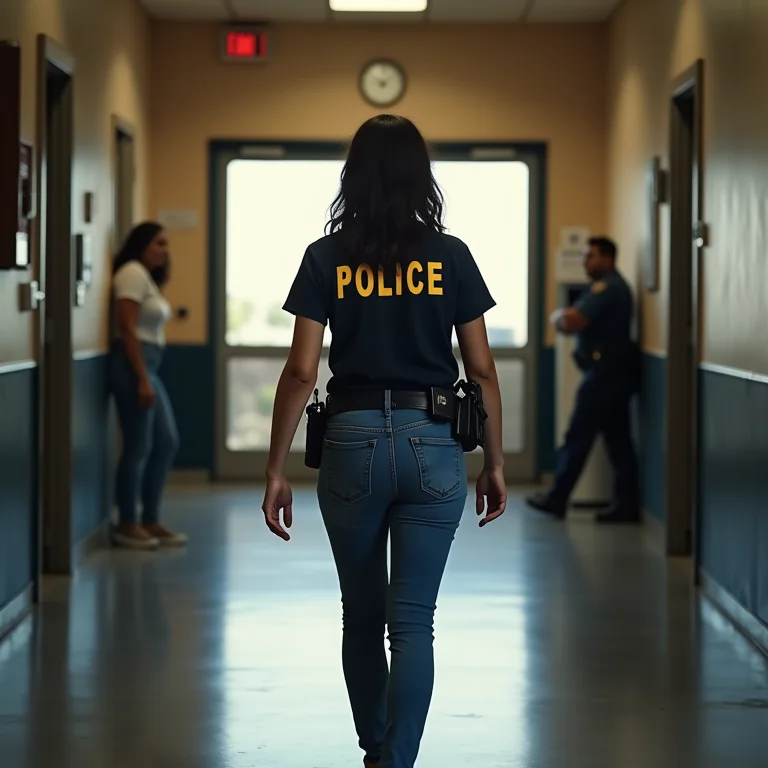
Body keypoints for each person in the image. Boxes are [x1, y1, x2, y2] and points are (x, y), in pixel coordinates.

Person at [260, 114, 507, 768]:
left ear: (353, 175)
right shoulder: (451, 256)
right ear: (422, 175)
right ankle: (396, 761)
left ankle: (373, 746)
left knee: (362, 616)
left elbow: (303, 370)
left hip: (352, 442)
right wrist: (496, 463)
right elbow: (481, 369)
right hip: (435, 445)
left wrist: (275, 468)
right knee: (414, 623)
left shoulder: (326, 256)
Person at [526, 236, 641, 524]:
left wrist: (557, 317)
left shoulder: (609, 288)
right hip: (612, 374)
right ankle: (626, 505)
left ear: (608, 258)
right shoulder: (604, 287)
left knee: (578, 435)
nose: (584, 261)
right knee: (618, 441)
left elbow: (573, 321)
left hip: (605, 375)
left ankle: (557, 498)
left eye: (590, 256)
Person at [108, 222, 186, 550]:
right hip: (133, 366)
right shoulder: (131, 273)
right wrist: (141, 377)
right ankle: (128, 523)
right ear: (141, 244)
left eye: (167, 244)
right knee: (138, 447)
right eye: (159, 243)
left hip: (148, 367)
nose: (165, 250)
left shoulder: (146, 278)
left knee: (166, 442)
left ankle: (150, 519)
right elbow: (127, 328)